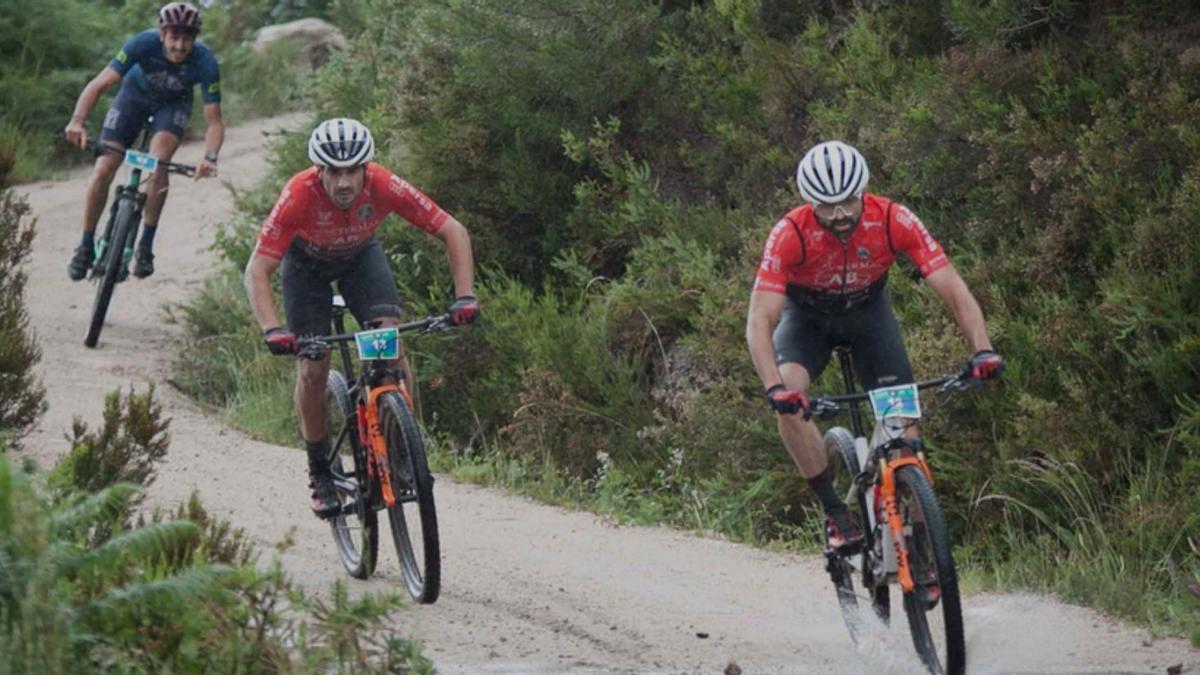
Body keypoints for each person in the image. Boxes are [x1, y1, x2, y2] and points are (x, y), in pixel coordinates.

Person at [745, 140, 1003, 556]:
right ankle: (834, 511)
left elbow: (951, 286)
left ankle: (920, 545)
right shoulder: (789, 233)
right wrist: (775, 389)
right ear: (811, 203)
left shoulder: (893, 218)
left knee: (903, 428)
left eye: (848, 201)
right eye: (827, 207)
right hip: (806, 321)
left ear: (862, 190)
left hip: (869, 317)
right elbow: (760, 319)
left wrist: (982, 349)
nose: (841, 215)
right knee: (790, 397)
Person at [244, 117, 479, 518]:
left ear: (366, 168)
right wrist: (274, 329)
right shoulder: (298, 195)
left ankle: (404, 445)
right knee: (315, 368)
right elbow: (257, 270)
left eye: (353, 170)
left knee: (390, 342)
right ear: (319, 171)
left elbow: (453, 230)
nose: (344, 183)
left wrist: (465, 297)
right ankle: (319, 469)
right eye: (333, 172)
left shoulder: (383, 184)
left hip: (359, 260)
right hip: (306, 270)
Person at [64, 2, 222, 281]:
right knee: (104, 167)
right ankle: (85, 245)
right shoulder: (143, 43)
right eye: (174, 37)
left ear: (194, 39)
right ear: (162, 34)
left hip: (172, 107)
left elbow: (214, 121)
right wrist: (77, 120)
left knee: (158, 162)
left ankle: (145, 245)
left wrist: (210, 157)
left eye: (187, 38)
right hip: (133, 99)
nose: (180, 46)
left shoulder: (205, 61)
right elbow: (99, 84)